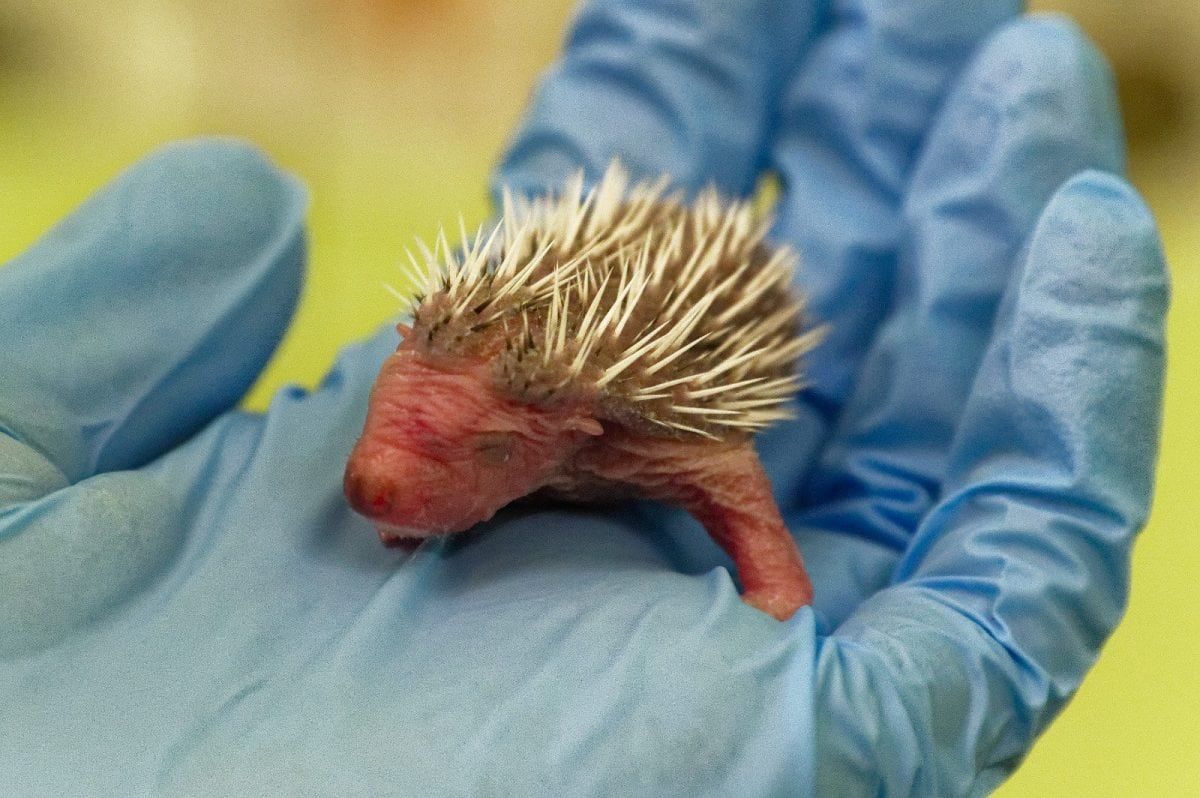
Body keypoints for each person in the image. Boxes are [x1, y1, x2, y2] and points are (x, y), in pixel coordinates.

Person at [0, 1, 1167, 794]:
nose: (363, 483)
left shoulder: (649, 430)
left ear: (577, 440)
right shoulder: (454, 391)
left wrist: (774, 611)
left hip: (653, 351)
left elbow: (740, 501)